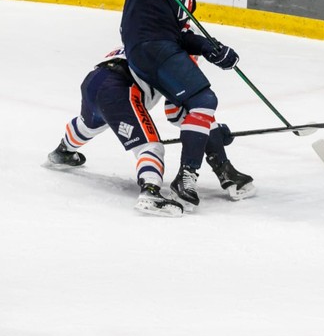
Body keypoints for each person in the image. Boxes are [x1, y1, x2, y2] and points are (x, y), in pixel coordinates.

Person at [47, 47, 256, 217]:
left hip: (95, 80)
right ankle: (150, 192)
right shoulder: (175, 59)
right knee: (150, 146)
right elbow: (177, 113)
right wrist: (212, 134)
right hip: (121, 89)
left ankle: (63, 151)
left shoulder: (147, 41)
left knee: (88, 124)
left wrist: (211, 133)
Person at [120, 0, 240, 210]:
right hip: (148, 43)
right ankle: (186, 177)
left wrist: (210, 48)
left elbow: (182, 36)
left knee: (196, 107)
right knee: (204, 99)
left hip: (161, 49)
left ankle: (220, 164)